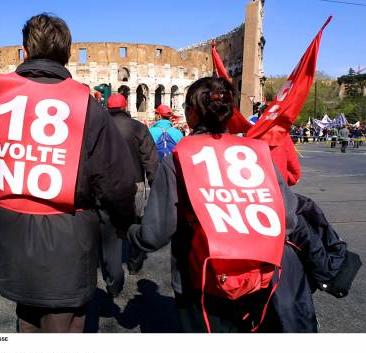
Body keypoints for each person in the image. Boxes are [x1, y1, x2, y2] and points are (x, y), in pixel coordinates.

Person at [0, 13, 136, 333]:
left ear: (24, 51)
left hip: (13, 239)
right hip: (71, 238)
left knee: (28, 319)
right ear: (67, 53)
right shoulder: (88, 107)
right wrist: (121, 224)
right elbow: (116, 183)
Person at [128, 77, 359, 332]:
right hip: (259, 276)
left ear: (191, 114)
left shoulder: (179, 157)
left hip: (202, 281)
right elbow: (289, 218)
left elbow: (156, 232)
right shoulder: (257, 152)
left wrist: (133, 236)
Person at [99, 93, 159, 296]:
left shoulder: (98, 127)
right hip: (135, 185)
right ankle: (134, 263)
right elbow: (150, 159)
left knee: (111, 234)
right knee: (135, 224)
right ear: (125, 107)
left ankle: (113, 280)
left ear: (107, 107)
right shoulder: (138, 127)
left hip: (105, 186)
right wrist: (156, 185)